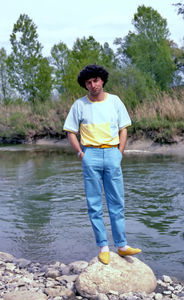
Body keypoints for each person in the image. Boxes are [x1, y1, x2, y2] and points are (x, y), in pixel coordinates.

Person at [63, 64, 141, 264]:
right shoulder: (79, 105)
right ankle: (103, 246)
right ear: (85, 85)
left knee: (117, 202)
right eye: (89, 82)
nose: (93, 85)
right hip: (91, 155)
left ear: (102, 80)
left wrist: (119, 153)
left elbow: (124, 128)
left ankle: (122, 246)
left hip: (112, 153)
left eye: (96, 80)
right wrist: (81, 153)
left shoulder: (115, 101)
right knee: (94, 204)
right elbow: (70, 131)